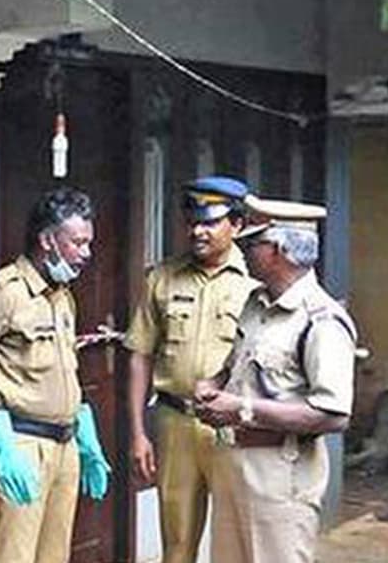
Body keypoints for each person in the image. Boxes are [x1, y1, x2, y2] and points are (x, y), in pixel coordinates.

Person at [0, 187, 112, 563]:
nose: (87, 252)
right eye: (78, 243)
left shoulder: (61, 296)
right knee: (12, 556)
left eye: (88, 243)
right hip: (21, 445)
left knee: (54, 556)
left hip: (64, 446)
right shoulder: (1, 293)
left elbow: (63, 370)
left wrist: (85, 433)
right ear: (48, 240)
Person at [193, 195, 357, 563]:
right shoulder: (256, 303)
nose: (244, 251)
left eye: (253, 243)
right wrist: (213, 384)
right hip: (234, 465)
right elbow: (237, 365)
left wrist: (242, 409)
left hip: (282, 476)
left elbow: (334, 414)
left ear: (279, 251)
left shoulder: (322, 320)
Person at [123, 176, 261, 563]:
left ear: (237, 225)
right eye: (192, 222)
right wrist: (138, 433)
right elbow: (139, 355)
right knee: (177, 540)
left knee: (237, 541)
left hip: (235, 426)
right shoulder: (162, 278)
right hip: (175, 422)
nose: (198, 231)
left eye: (210, 222)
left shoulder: (256, 285)